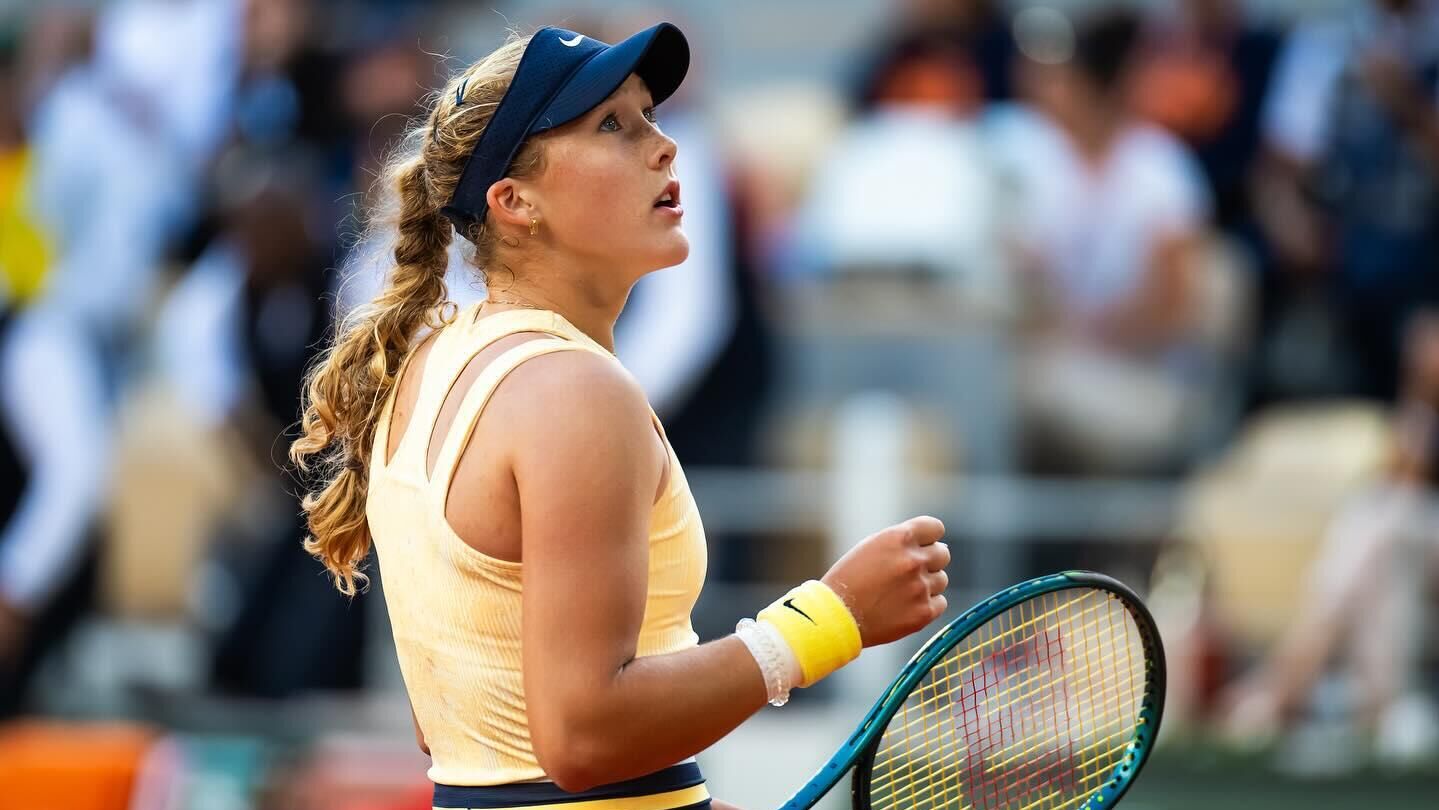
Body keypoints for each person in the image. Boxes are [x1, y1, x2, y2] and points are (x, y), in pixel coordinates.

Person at [288, 23, 951, 810]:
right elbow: (582, 739)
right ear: (515, 202)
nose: (664, 147)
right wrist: (829, 619)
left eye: (651, 117)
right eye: (612, 125)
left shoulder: (431, 365)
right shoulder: (573, 391)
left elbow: (475, 738)